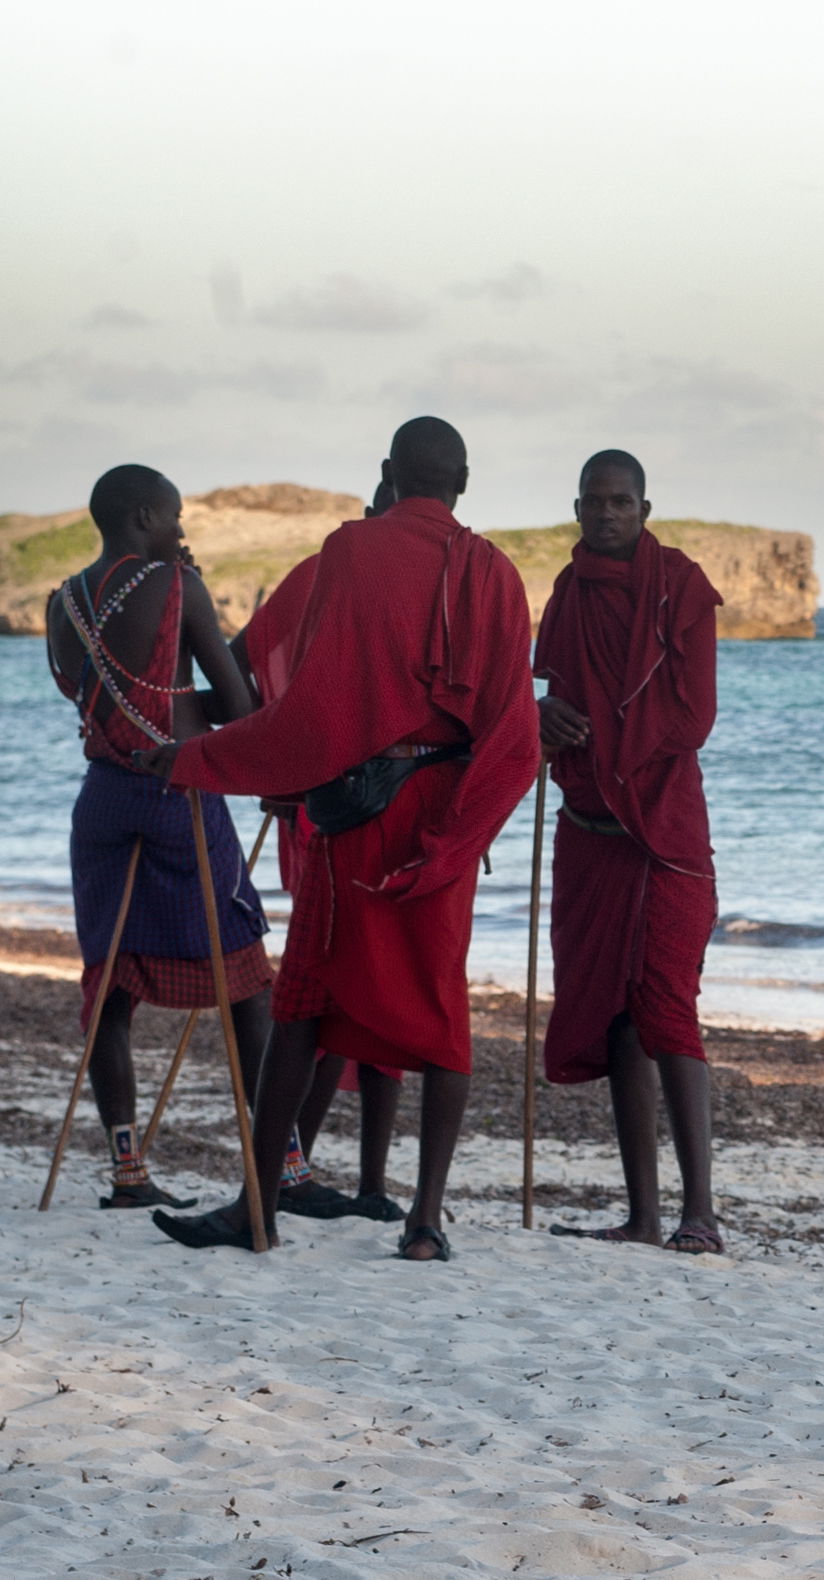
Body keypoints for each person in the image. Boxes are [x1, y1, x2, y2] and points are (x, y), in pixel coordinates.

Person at [141, 418, 538, 1259]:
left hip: (357, 812)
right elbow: (515, 733)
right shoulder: (498, 573)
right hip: (439, 815)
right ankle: (425, 1221)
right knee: (440, 1004)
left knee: (305, 1005)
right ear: (463, 482)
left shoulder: (352, 551)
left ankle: (260, 1209)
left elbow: (314, 709)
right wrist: (465, 831)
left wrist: (195, 757)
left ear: (390, 474)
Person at [44, 464, 273, 1208]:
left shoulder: (62, 604)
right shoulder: (179, 586)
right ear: (144, 516)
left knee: (109, 982)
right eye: (174, 516)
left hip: (104, 800)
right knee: (243, 974)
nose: (182, 530)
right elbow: (235, 709)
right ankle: (284, 1164)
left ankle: (127, 1171)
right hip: (178, 793)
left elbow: (95, 701)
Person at [538, 449, 726, 1253]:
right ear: (577, 508)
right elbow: (546, 696)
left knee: (667, 1010)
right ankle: (644, 1217)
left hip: (663, 831)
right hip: (590, 833)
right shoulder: (569, 591)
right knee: (616, 1018)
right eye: (593, 502)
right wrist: (541, 717)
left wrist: (612, 747)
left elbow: (695, 718)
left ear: (646, 508)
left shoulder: (681, 587)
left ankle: (701, 1214)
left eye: (621, 502)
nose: (606, 514)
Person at [231, 481, 407, 1226]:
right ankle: (293, 1163)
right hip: (327, 813)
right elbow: (244, 656)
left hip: (400, 810)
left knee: (387, 989)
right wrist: (282, 754)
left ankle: (370, 1180)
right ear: (370, 514)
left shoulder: (429, 580)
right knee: (333, 986)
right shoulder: (323, 571)